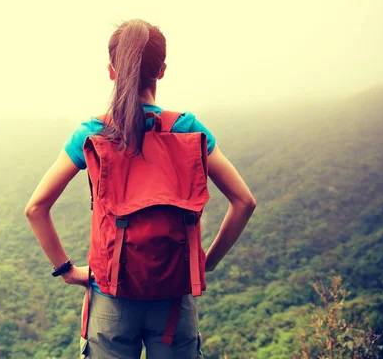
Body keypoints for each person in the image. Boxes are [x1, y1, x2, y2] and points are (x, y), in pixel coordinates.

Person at [25, 19, 256, 359]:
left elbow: (36, 208)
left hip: (110, 296)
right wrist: (207, 262)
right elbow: (244, 201)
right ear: (161, 70)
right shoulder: (187, 128)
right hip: (174, 299)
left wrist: (67, 270)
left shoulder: (92, 132)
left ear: (111, 71)